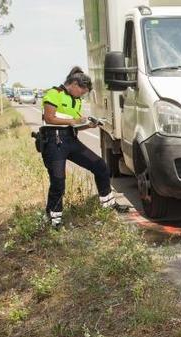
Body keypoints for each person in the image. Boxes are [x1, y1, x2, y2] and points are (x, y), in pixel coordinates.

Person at [39, 66, 115, 227]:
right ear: (74, 84)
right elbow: (49, 118)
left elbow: (74, 125)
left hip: (70, 139)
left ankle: (108, 205)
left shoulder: (77, 100)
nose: (82, 95)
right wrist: (73, 121)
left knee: (100, 165)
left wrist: (89, 125)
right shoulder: (54, 94)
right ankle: (54, 219)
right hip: (55, 141)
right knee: (58, 181)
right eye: (82, 91)